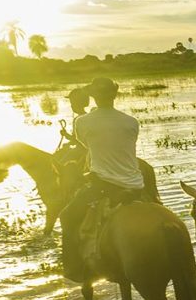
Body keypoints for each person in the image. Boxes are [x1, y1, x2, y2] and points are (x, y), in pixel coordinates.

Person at [59, 77, 144, 282]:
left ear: (94, 97)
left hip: (104, 185)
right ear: (114, 95)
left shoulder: (83, 122)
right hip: (136, 185)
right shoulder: (132, 122)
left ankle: (74, 268)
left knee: (67, 216)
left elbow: (86, 145)